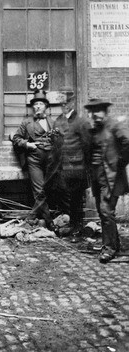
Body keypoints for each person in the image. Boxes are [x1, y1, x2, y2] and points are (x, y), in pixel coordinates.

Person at [12, 90, 70, 231]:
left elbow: (62, 141)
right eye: (35, 104)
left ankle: (34, 216)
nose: (37, 107)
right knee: (39, 191)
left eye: (40, 104)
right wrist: (27, 144)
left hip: (52, 161)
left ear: (46, 107)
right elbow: (16, 139)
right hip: (34, 159)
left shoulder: (53, 122)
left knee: (53, 189)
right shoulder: (27, 123)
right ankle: (50, 223)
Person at [84, 98, 129, 263]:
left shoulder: (115, 126)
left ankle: (109, 249)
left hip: (112, 177)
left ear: (105, 111)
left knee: (105, 211)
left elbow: (128, 142)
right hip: (97, 177)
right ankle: (113, 244)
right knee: (104, 213)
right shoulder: (96, 129)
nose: (94, 114)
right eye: (92, 111)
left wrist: (120, 161)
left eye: (97, 110)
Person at [54, 92, 92, 238]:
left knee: (77, 198)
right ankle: (69, 224)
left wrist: (86, 166)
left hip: (77, 167)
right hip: (62, 167)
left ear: (72, 103)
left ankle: (77, 226)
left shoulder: (81, 122)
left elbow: (87, 144)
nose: (64, 106)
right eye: (62, 103)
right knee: (65, 197)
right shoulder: (58, 121)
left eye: (67, 103)